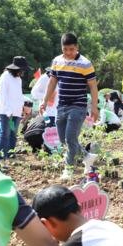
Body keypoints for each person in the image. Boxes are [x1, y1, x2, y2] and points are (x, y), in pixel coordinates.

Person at [40, 32, 99, 181]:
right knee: (63, 139)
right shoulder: (57, 61)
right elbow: (53, 82)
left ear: (77, 47)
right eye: (65, 49)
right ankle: (87, 156)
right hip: (62, 105)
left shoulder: (85, 63)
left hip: (78, 105)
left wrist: (94, 106)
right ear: (62, 48)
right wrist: (45, 100)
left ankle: (69, 169)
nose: (68, 53)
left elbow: (92, 86)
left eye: (71, 49)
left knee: (70, 137)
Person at [0, 56, 30, 161]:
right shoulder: (5, 77)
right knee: (5, 134)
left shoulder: (18, 79)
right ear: (15, 68)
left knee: (13, 134)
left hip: (16, 112)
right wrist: (8, 111)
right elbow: (3, 95)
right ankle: (0, 158)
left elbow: (18, 95)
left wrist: (23, 107)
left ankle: (10, 155)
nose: (23, 72)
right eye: (22, 69)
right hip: (6, 112)